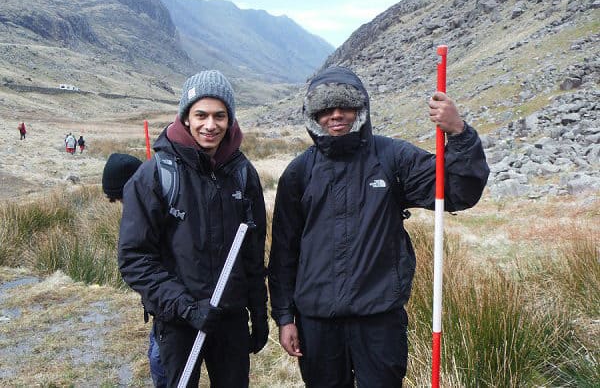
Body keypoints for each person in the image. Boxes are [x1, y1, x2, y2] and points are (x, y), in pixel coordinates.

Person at [268, 66, 489, 387]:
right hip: (317, 321)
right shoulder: (299, 172)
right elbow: (284, 253)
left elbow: (456, 192)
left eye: (346, 106)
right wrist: (285, 318)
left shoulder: (393, 158)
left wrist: (459, 132)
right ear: (313, 116)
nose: (336, 115)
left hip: (379, 317)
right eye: (326, 109)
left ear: (362, 109)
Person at [118, 70, 268, 387]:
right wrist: (186, 307)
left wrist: (258, 311)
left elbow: (253, 253)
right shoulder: (155, 176)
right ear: (186, 117)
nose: (210, 125)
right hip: (177, 321)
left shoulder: (243, 174)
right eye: (201, 115)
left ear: (230, 119)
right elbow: (135, 258)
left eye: (219, 116)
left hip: (231, 320)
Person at [101, 152, 167, 386]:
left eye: (122, 199)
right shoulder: (142, 212)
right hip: (162, 310)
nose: (123, 206)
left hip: (172, 309)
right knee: (157, 357)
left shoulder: (158, 215)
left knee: (161, 363)